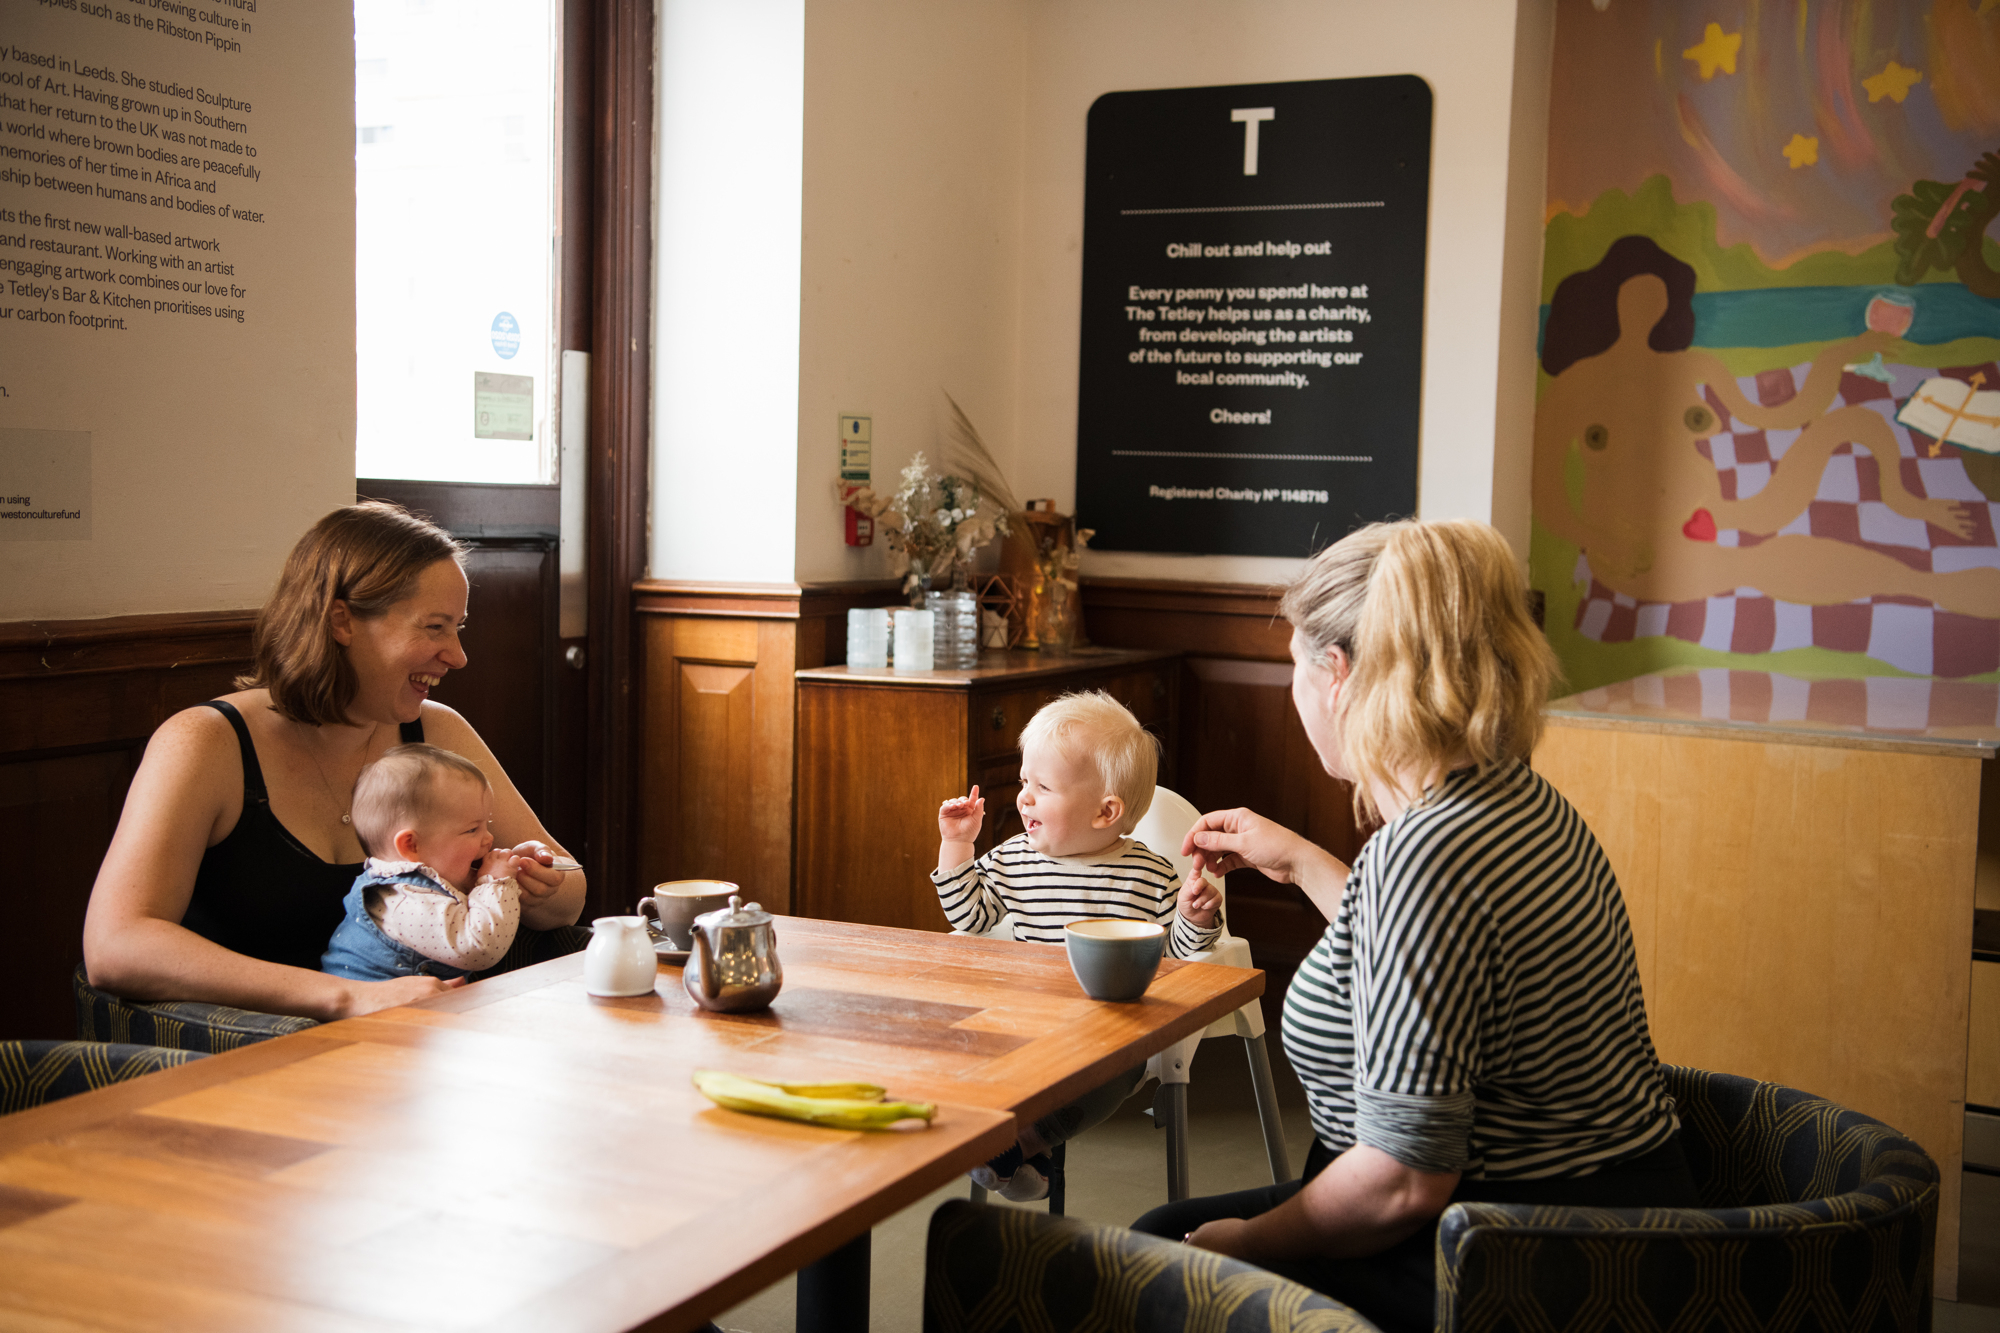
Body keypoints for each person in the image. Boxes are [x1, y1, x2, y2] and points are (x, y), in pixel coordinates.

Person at [1132, 519, 1695, 1333]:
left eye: (1293, 667)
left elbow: (1403, 1182)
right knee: (1167, 1232)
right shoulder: (1514, 799)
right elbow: (1430, 955)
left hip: (1506, 1261)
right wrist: (1298, 861)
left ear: (1338, 673)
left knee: (1157, 1250)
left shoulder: (1424, 856)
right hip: (1611, 1220)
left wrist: (1253, 1240)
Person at [83, 502, 586, 1021]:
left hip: (422, 1050)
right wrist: (347, 997)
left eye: (457, 627)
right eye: (435, 627)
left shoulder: (436, 731)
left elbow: (570, 891)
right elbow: (115, 946)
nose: (457, 655)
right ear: (342, 620)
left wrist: (541, 885)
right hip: (244, 1058)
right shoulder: (206, 743)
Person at [1531, 233, 1995, 617]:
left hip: (1716, 512)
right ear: (1610, 302)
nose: (1645, 307)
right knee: (1762, 563)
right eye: (1634, 295)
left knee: (1853, 422)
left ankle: (1907, 501)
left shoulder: (1692, 367)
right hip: (1633, 548)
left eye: (1656, 296)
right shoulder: (1576, 386)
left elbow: (1782, 416)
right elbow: (1548, 493)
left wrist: (1836, 356)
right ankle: (1929, 585)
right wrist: (1598, 538)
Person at [933, 689, 1221, 1201]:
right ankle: (1025, 1159)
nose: (1023, 797)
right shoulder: (1014, 859)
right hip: (1027, 1023)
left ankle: (1025, 1143)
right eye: (1025, 782)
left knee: (1117, 1069)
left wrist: (1194, 918)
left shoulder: (1148, 874)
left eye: (1042, 786)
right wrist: (958, 845)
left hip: (1112, 1033)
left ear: (1105, 811)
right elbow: (971, 918)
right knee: (963, 1046)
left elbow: (1176, 954)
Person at [321, 744, 534, 982]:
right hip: (373, 1017)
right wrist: (495, 884)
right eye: (472, 829)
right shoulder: (403, 899)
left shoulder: (427, 880)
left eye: (487, 824)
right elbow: (480, 947)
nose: (489, 838)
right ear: (411, 845)